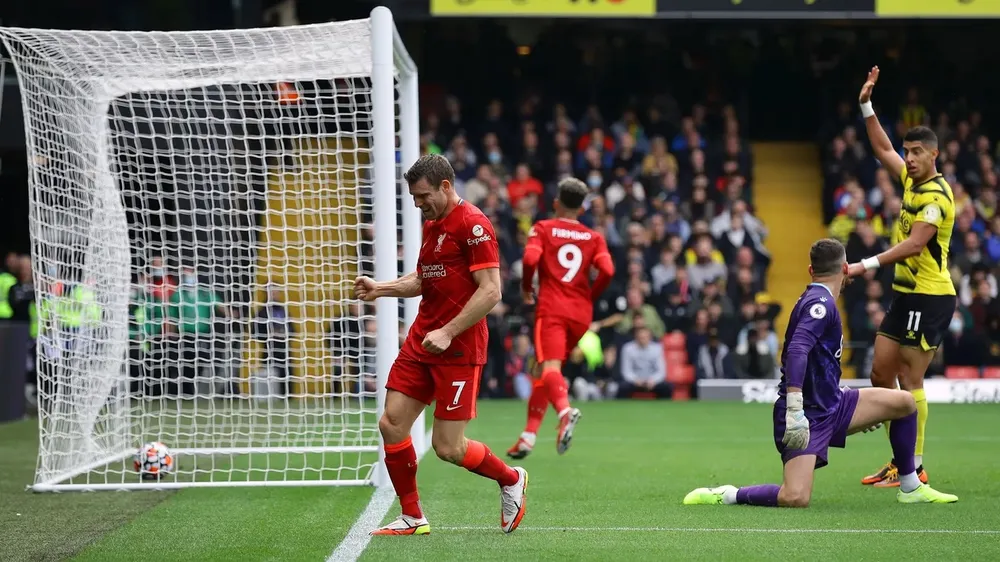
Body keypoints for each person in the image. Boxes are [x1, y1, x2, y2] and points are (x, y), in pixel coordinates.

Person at [682, 239, 957, 507]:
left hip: (834, 403)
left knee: (904, 403)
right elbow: (797, 351)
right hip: (807, 414)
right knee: (795, 497)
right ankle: (728, 494)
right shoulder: (821, 305)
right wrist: (795, 408)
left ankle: (910, 486)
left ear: (811, 271)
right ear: (845, 268)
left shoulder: (819, 299)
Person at [354, 154, 528, 536]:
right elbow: (424, 279)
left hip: (458, 347)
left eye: (422, 195)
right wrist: (380, 288)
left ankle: (511, 478)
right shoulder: (433, 225)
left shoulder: (474, 225)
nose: (417, 204)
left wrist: (448, 332)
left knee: (448, 447)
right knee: (392, 423)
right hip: (422, 340)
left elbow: (492, 291)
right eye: (414, 197)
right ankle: (413, 516)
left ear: (446, 187)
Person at [848, 67, 956, 487]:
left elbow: (914, 245)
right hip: (904, 296)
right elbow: (881, 147)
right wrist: (866, 105)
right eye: (907, 151)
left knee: (911, 380)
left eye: (916, 153)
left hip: (930, 297)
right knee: (880, 375)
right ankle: (899, 460)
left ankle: (915, 465)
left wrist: (863, 265)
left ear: (934, 156)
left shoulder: (936, 196)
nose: (908, 157)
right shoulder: (909, 180)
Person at [507, 177, 615, 460]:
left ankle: (565, 412)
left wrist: (527, 288)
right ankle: (528, 436)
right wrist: (590, 296)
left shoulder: (543, 228)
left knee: (550, 367)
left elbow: (530, 261)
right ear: (582, 209)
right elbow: (608, 270)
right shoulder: (594, 237)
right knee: (546, 371)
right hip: (581, 313)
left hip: (553, 308)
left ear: (556, 203)